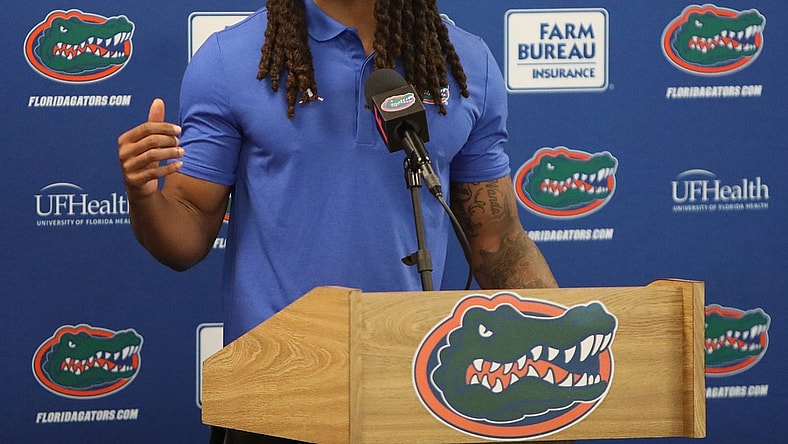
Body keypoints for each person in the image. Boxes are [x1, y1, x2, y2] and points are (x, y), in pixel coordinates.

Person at [118, 0, 557, 442]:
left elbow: (498, 242)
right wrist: (142, 196)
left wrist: (563, 348)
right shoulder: (230, 59)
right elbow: (187, 231)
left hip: (410, 388)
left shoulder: (465, 63)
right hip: (272, 392)